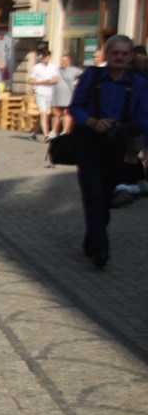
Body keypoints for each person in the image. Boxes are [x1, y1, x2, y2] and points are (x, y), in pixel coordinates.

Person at [67, 34, 148, 267]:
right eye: (115, 53)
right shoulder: (91, 77)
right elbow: (75, 107)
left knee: (105, 196)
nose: (120, 57)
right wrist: (93, 122)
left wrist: (130, 130)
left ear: (131, 56)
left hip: (117, 145)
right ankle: (101, 249)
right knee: (93, 194)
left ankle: (91, 240)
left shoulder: (137, 83)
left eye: (124, 53)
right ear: (106, 55)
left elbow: (143, 117)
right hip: (90, 143)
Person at [29, 50, 59, 141]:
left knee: (44, 115)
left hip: (50, 92)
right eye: (44, 56)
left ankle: (33, 133)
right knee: (44, 115)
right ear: (41, 57)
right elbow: (30, 80)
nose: (46, 58)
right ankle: (46, 136)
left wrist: (51, 81)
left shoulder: (53, 67)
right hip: (40, 92)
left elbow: (56, 79)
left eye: (47, 56)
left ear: (49, 57)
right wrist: (39, 82)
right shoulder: (36, 67)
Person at [52, 54, 82, 137]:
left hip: (69, 94)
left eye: (64, 61)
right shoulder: (57, 70)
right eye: (62, 60)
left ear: (69, 61)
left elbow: (84, 75)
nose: (62, 62)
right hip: (57, 94)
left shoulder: (75, 70)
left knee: (67, 112)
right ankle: (54, 132)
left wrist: (78, 82)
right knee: (57, 113)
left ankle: (65, 132)